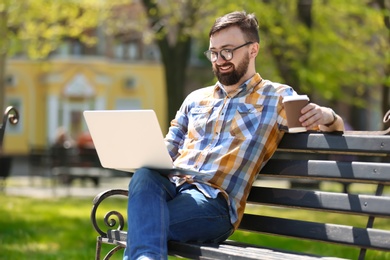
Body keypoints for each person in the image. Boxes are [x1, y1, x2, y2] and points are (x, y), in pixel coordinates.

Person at [124, 11, 344, 260]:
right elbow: (168, 146)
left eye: (227, 51)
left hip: (214, 204)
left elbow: (329, 129)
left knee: (145, 225)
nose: (219, 59)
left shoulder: (278, 97)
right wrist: (140, 152)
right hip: (172, 188)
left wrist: (328, 115)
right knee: (145, 175)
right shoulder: (195, 99)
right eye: (214, 53)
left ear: (253, 50)